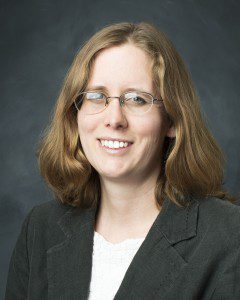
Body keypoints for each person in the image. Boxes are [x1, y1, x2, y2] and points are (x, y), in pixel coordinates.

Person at [5, 21, 240, 300]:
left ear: (173, 120)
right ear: (75, 113)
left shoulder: (228, 235)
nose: (114, 119)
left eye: (137, 99)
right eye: (96, 96)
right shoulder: (40, 229)